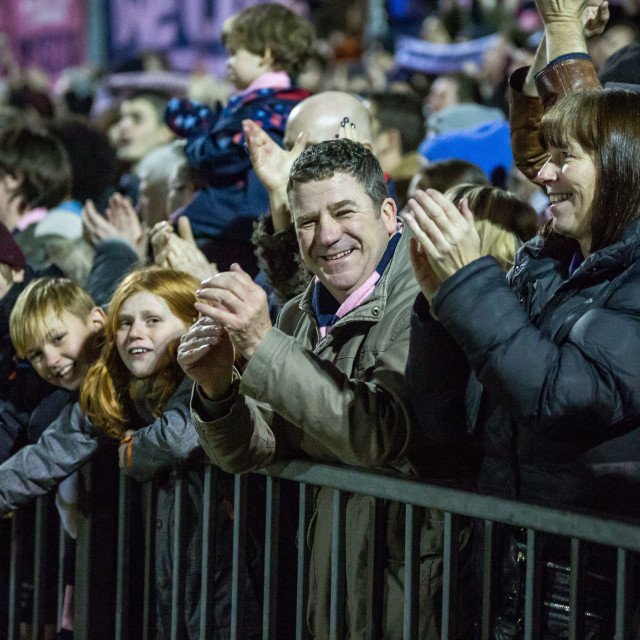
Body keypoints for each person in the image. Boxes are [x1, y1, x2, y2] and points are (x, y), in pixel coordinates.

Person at [179, 138, 472, 639]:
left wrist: (262, 344)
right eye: (307, 222)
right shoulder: (296, 311)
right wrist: (215, 390)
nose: (327, 235)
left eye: (343, 212)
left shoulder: (425, 295)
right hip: (333, 578)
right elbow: (259, 446)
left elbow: (381, 434)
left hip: (417, 581)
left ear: (387, 213)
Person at [404, 86, 640, 637]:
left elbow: (563, 397)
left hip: (591, 587)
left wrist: (469, 287)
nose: (545, 175)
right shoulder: (545, 266)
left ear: (624, 166)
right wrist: (440, 303)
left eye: (565, 157)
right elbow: (449, 423)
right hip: (500, 565)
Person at [1, 268, 263, 639]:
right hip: (179, 575)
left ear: (191, 321)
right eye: (123, 323)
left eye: (152, 320)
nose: (135, 332)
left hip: (241, 570)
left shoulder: (211, 363)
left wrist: (129, 451)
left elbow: (178, 434)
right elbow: (47, 455)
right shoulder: (114, 383)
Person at [164, 2, 315, 273]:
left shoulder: (261, 111)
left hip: (233, 228)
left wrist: (196, 135)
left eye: (234, 53)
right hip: (255, 228)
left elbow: (218, 155)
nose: (228, 62)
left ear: (265, 54)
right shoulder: (296, 104)